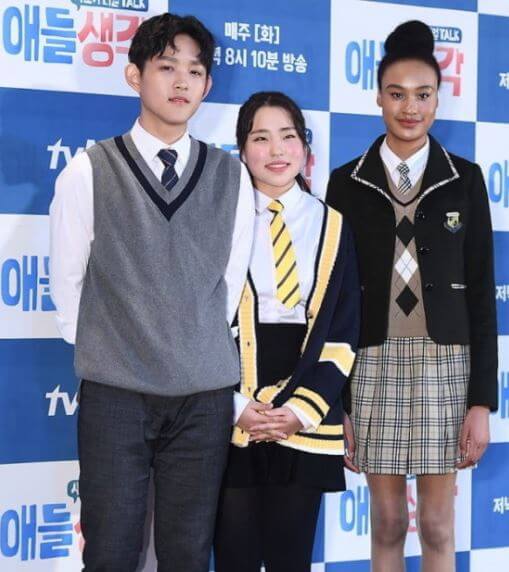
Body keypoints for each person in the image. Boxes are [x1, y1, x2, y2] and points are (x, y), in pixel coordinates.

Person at [49, 13, 254, 572]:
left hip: (203, 398)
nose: (182, 81)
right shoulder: (89, 171)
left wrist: (189, 347)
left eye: (195, 71)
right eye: (167, 67)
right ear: (134, 76)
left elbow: (227, 285)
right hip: (116, 394)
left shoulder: (231, 177)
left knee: (187, 553)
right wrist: (114, 351)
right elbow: (67, 286)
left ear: (208, 86)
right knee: (111, 552)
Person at [326, 20, 498, 572]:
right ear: (378, 98)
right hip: (370, 363)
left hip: (446, 364)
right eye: (397, 94)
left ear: (439, 99)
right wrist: (338, 401)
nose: (410, 107)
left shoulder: (465, 180)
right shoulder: (346, 183)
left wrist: (480, 402)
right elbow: (335, 298)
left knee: (439, 525)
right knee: (388, 523)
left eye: (423, 95)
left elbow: (481, 296)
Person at [213, 91, 360, 572]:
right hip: (232, 404)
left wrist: (300, 410)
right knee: (233, 555)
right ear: (242, 150)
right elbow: (198, 321)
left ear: (305, 147)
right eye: (260, 138)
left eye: (288, 136)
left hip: (306, 406)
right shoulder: (219, 219)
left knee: (290, 558)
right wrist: (235, 405)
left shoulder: (332, 225)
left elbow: (343, 330)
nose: (276, 150)